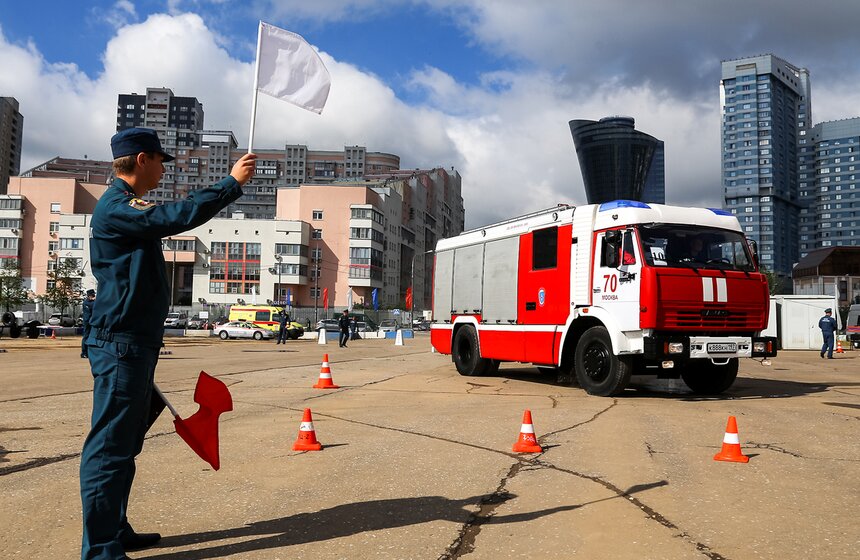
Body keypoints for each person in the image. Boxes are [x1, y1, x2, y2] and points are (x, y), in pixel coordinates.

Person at [79, 127, 256, 560]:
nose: (163, 169)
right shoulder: (118, 207)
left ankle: (115, 530)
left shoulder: (125, 207)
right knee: (110, 446)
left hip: (134, 342)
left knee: (125, 445)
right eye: (160, 161)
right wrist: (230, 184)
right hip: (120, 342)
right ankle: (100, 549)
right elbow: (173, 217)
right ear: (142, 160)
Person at [80, 289, 96, 358]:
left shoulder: (92, 302)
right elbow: (93, 306)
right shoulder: (86, 303)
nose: (94, 296)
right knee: (86, 336)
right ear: (89, 296)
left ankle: (89, 352)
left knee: (91, 336)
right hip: (88, 321)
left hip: (91, 321)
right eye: (92, 295)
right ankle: (84, 352)